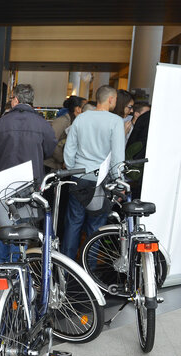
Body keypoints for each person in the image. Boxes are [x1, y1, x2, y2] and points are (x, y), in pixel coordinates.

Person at [0, 84, 56, 264]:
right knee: (24, 224)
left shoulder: (3, 121)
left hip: (2, 181)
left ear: (16, 100)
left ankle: (0, 264)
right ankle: (18, 265)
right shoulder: (42, 123)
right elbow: (49, 151)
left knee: (2, 222)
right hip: (29, 183)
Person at [61, 85, 125, 260]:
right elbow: (118, 156)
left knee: (73, 224)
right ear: (111, 99)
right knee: (95, 228)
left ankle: (66, 269)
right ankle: (90, 271)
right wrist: (120, 182)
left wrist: (72, 168)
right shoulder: (116, 121)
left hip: (79, 177)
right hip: (101, 181)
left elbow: (69, 148)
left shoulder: (81, 118)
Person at [44, 95, 86, 170]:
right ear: (78, 109)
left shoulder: (76, 122)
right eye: (85, 108)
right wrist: (63, 160)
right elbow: (50, 142)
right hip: (52, 165)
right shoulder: (62, 121)